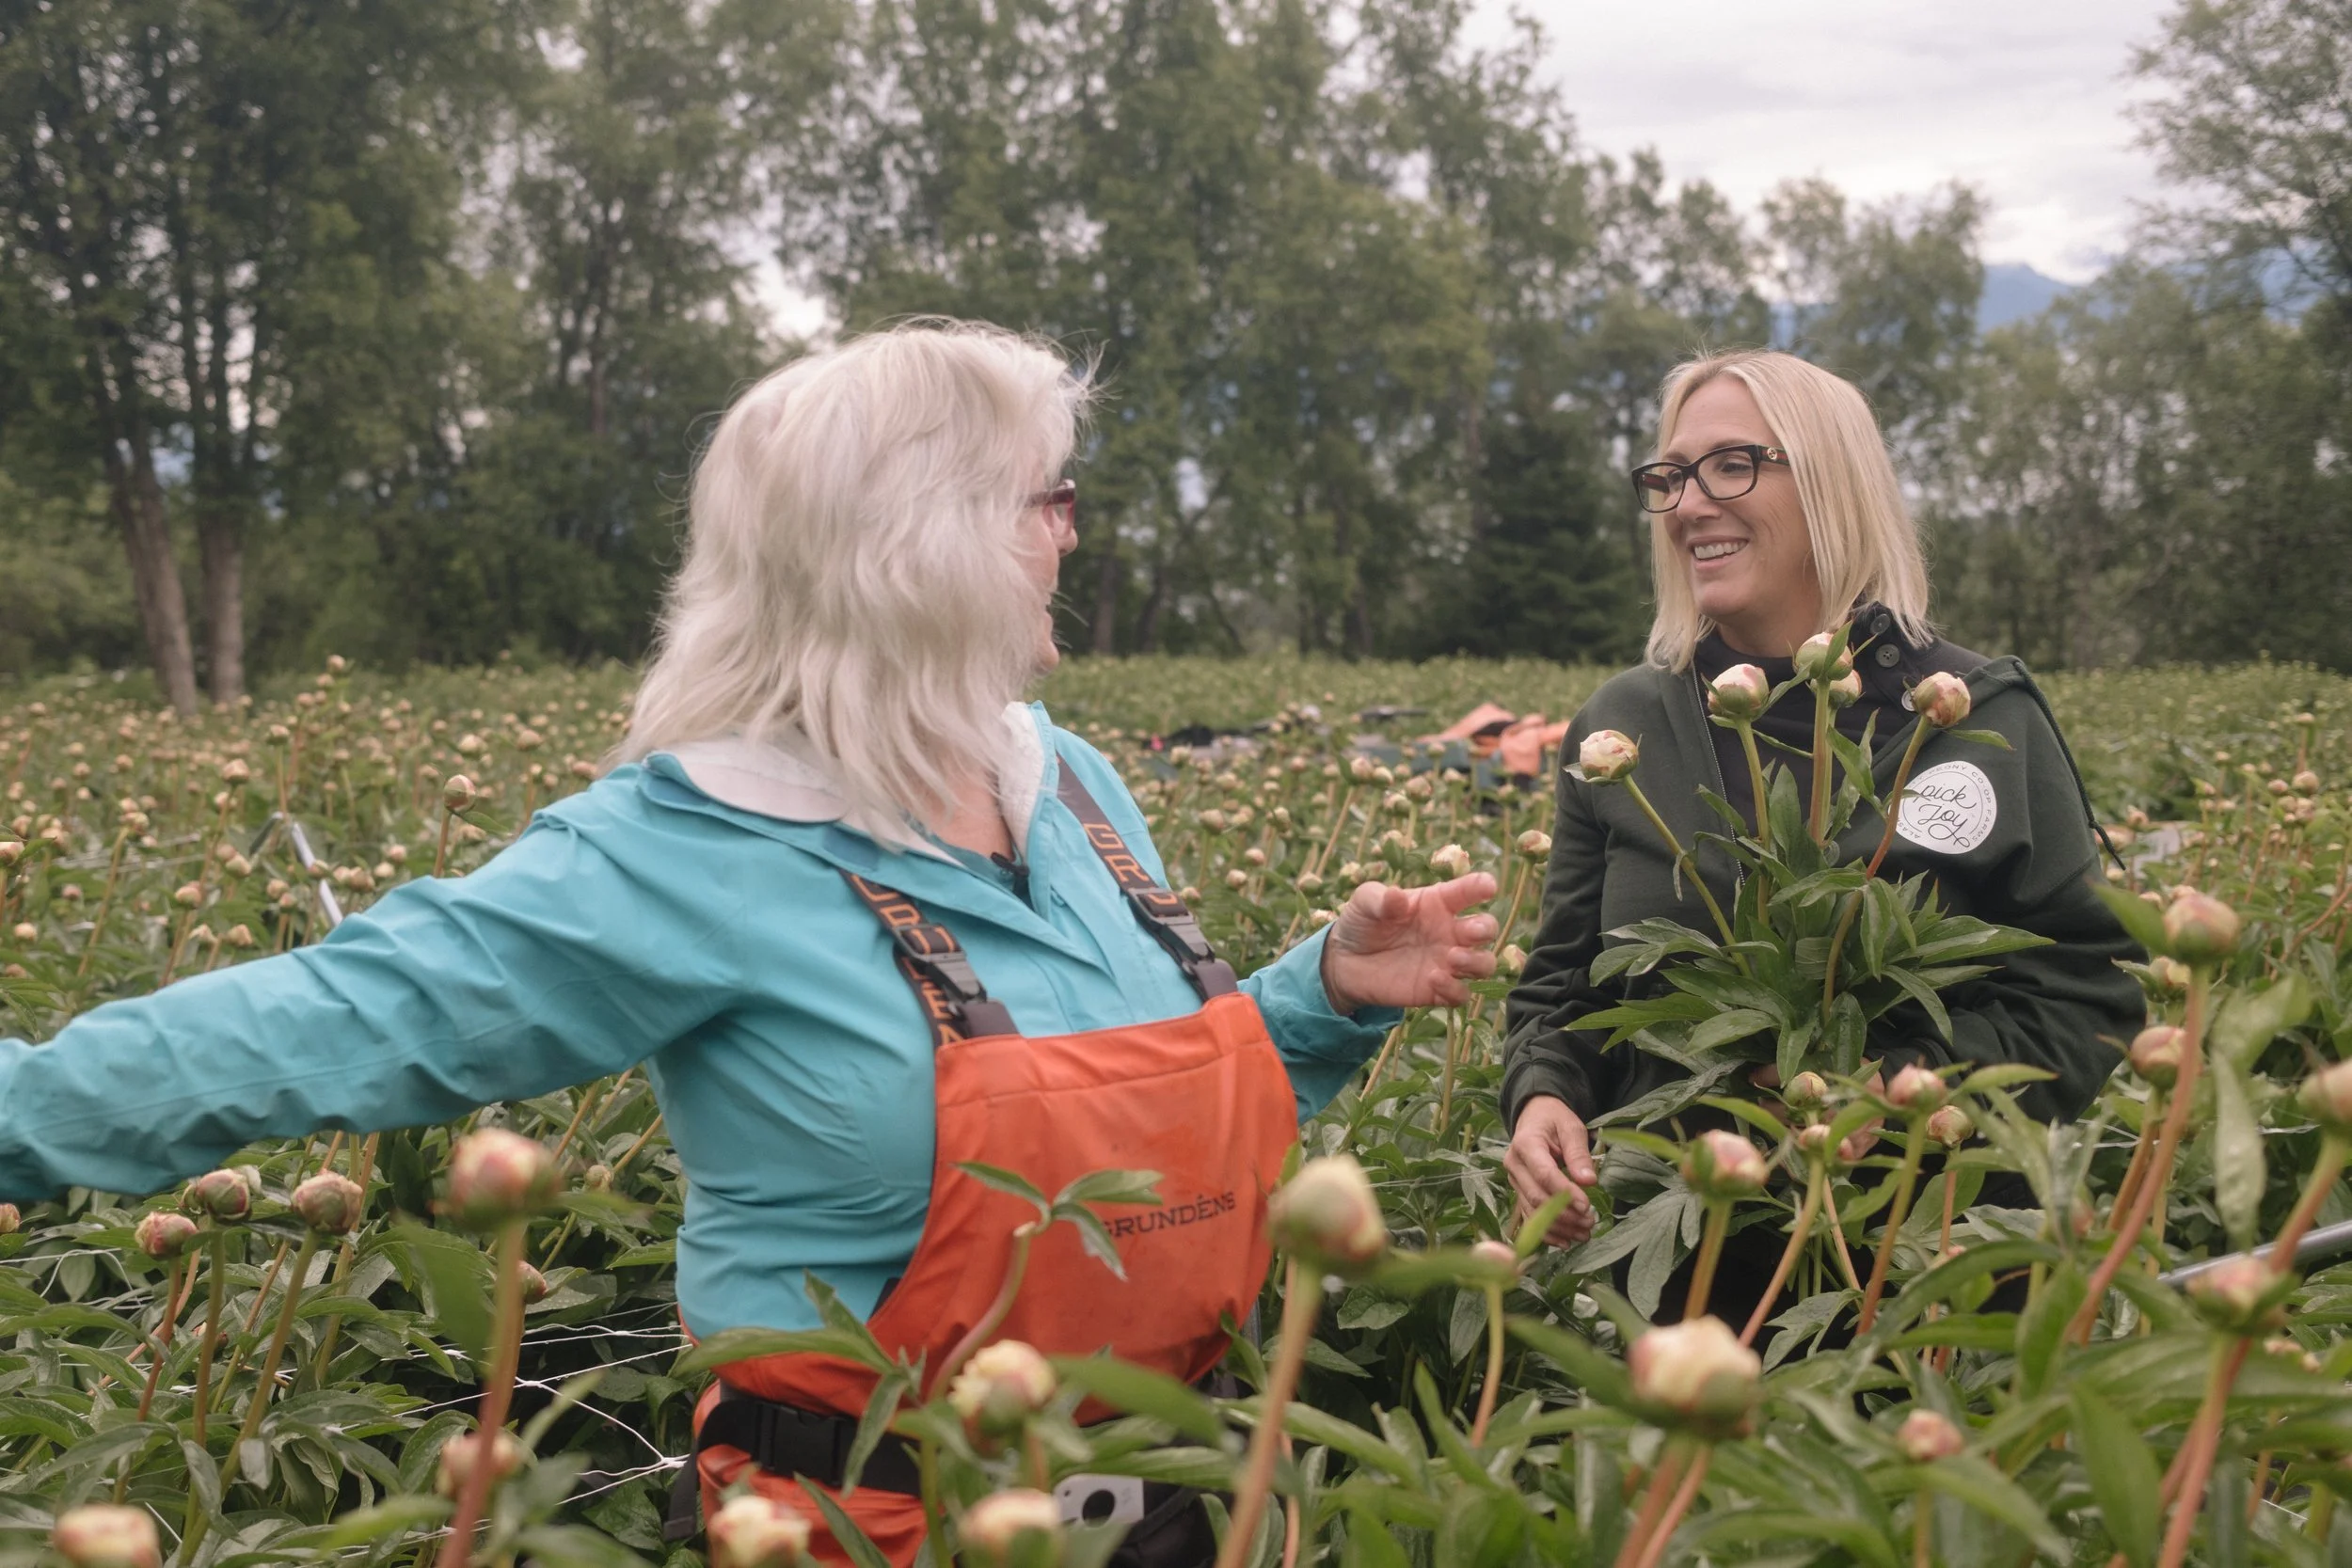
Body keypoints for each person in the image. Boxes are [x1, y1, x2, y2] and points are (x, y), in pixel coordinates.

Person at [0, 322, 1501, 1565]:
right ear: (928, 546)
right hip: (864, 1518)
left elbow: (1144, 1165)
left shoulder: (1075, 788)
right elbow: (308, 1025)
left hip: (1185, 1496)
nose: (1073, 530)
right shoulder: (686, 848)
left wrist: (1317, 1001)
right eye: (1049, 498)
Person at [1498, 349, 2141, 1324]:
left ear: (1831, 481)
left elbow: (2091, 988)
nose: (1687, 504)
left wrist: (1909, 1084)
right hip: (1677, 1277)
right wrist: (1540, 1092)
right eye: (1670, 476)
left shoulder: (1975, 717)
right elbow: (1560, 986)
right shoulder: (1623, 722)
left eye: (1731, 465)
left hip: (1925, 1272)